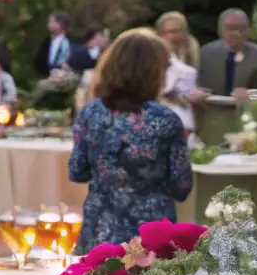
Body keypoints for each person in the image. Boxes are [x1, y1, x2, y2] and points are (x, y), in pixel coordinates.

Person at [68, 29, 193, 254]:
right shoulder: (166, 120)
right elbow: (182, 187)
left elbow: (77, 171)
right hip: (150, 236)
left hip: (101, 233)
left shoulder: (90, 113)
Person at [196, 8, 257, 100]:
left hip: (247, 109)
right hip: (213, 108)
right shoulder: (206, 53)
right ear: (220, 29)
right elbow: (196, 84)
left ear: (248, 30)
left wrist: (250, 93)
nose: (236, 33)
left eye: (242, 28)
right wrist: (199, 92)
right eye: (230, 28)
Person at [156, 12, 199, 142]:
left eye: (176, 31)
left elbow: (192, 81)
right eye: (167, 32)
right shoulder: (156, 52)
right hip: (164, 109)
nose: (172, 36)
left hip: (189, 110)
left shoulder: (192, 50)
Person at [34, 11, 73, 76]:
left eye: (51, 22)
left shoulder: (68, 42)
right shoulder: (47, 42)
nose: (48, 25)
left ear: (59, 25)